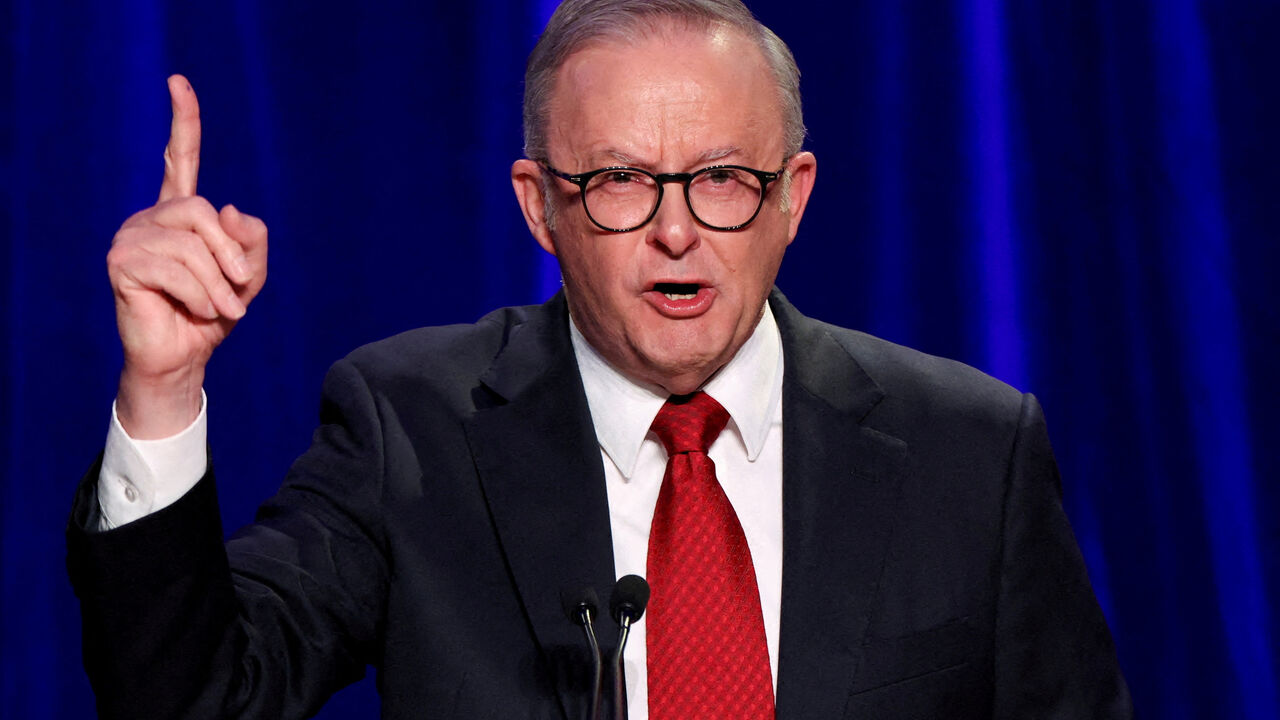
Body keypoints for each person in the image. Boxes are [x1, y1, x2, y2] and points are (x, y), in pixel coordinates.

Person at [67, 1, 1133, 718]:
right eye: (621, 180)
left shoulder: (971, 450)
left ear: (793, 196)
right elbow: (197, 699)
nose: (677, 232)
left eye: (720, 178)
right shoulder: (410, 429)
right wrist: (163, 388)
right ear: (539, 207)